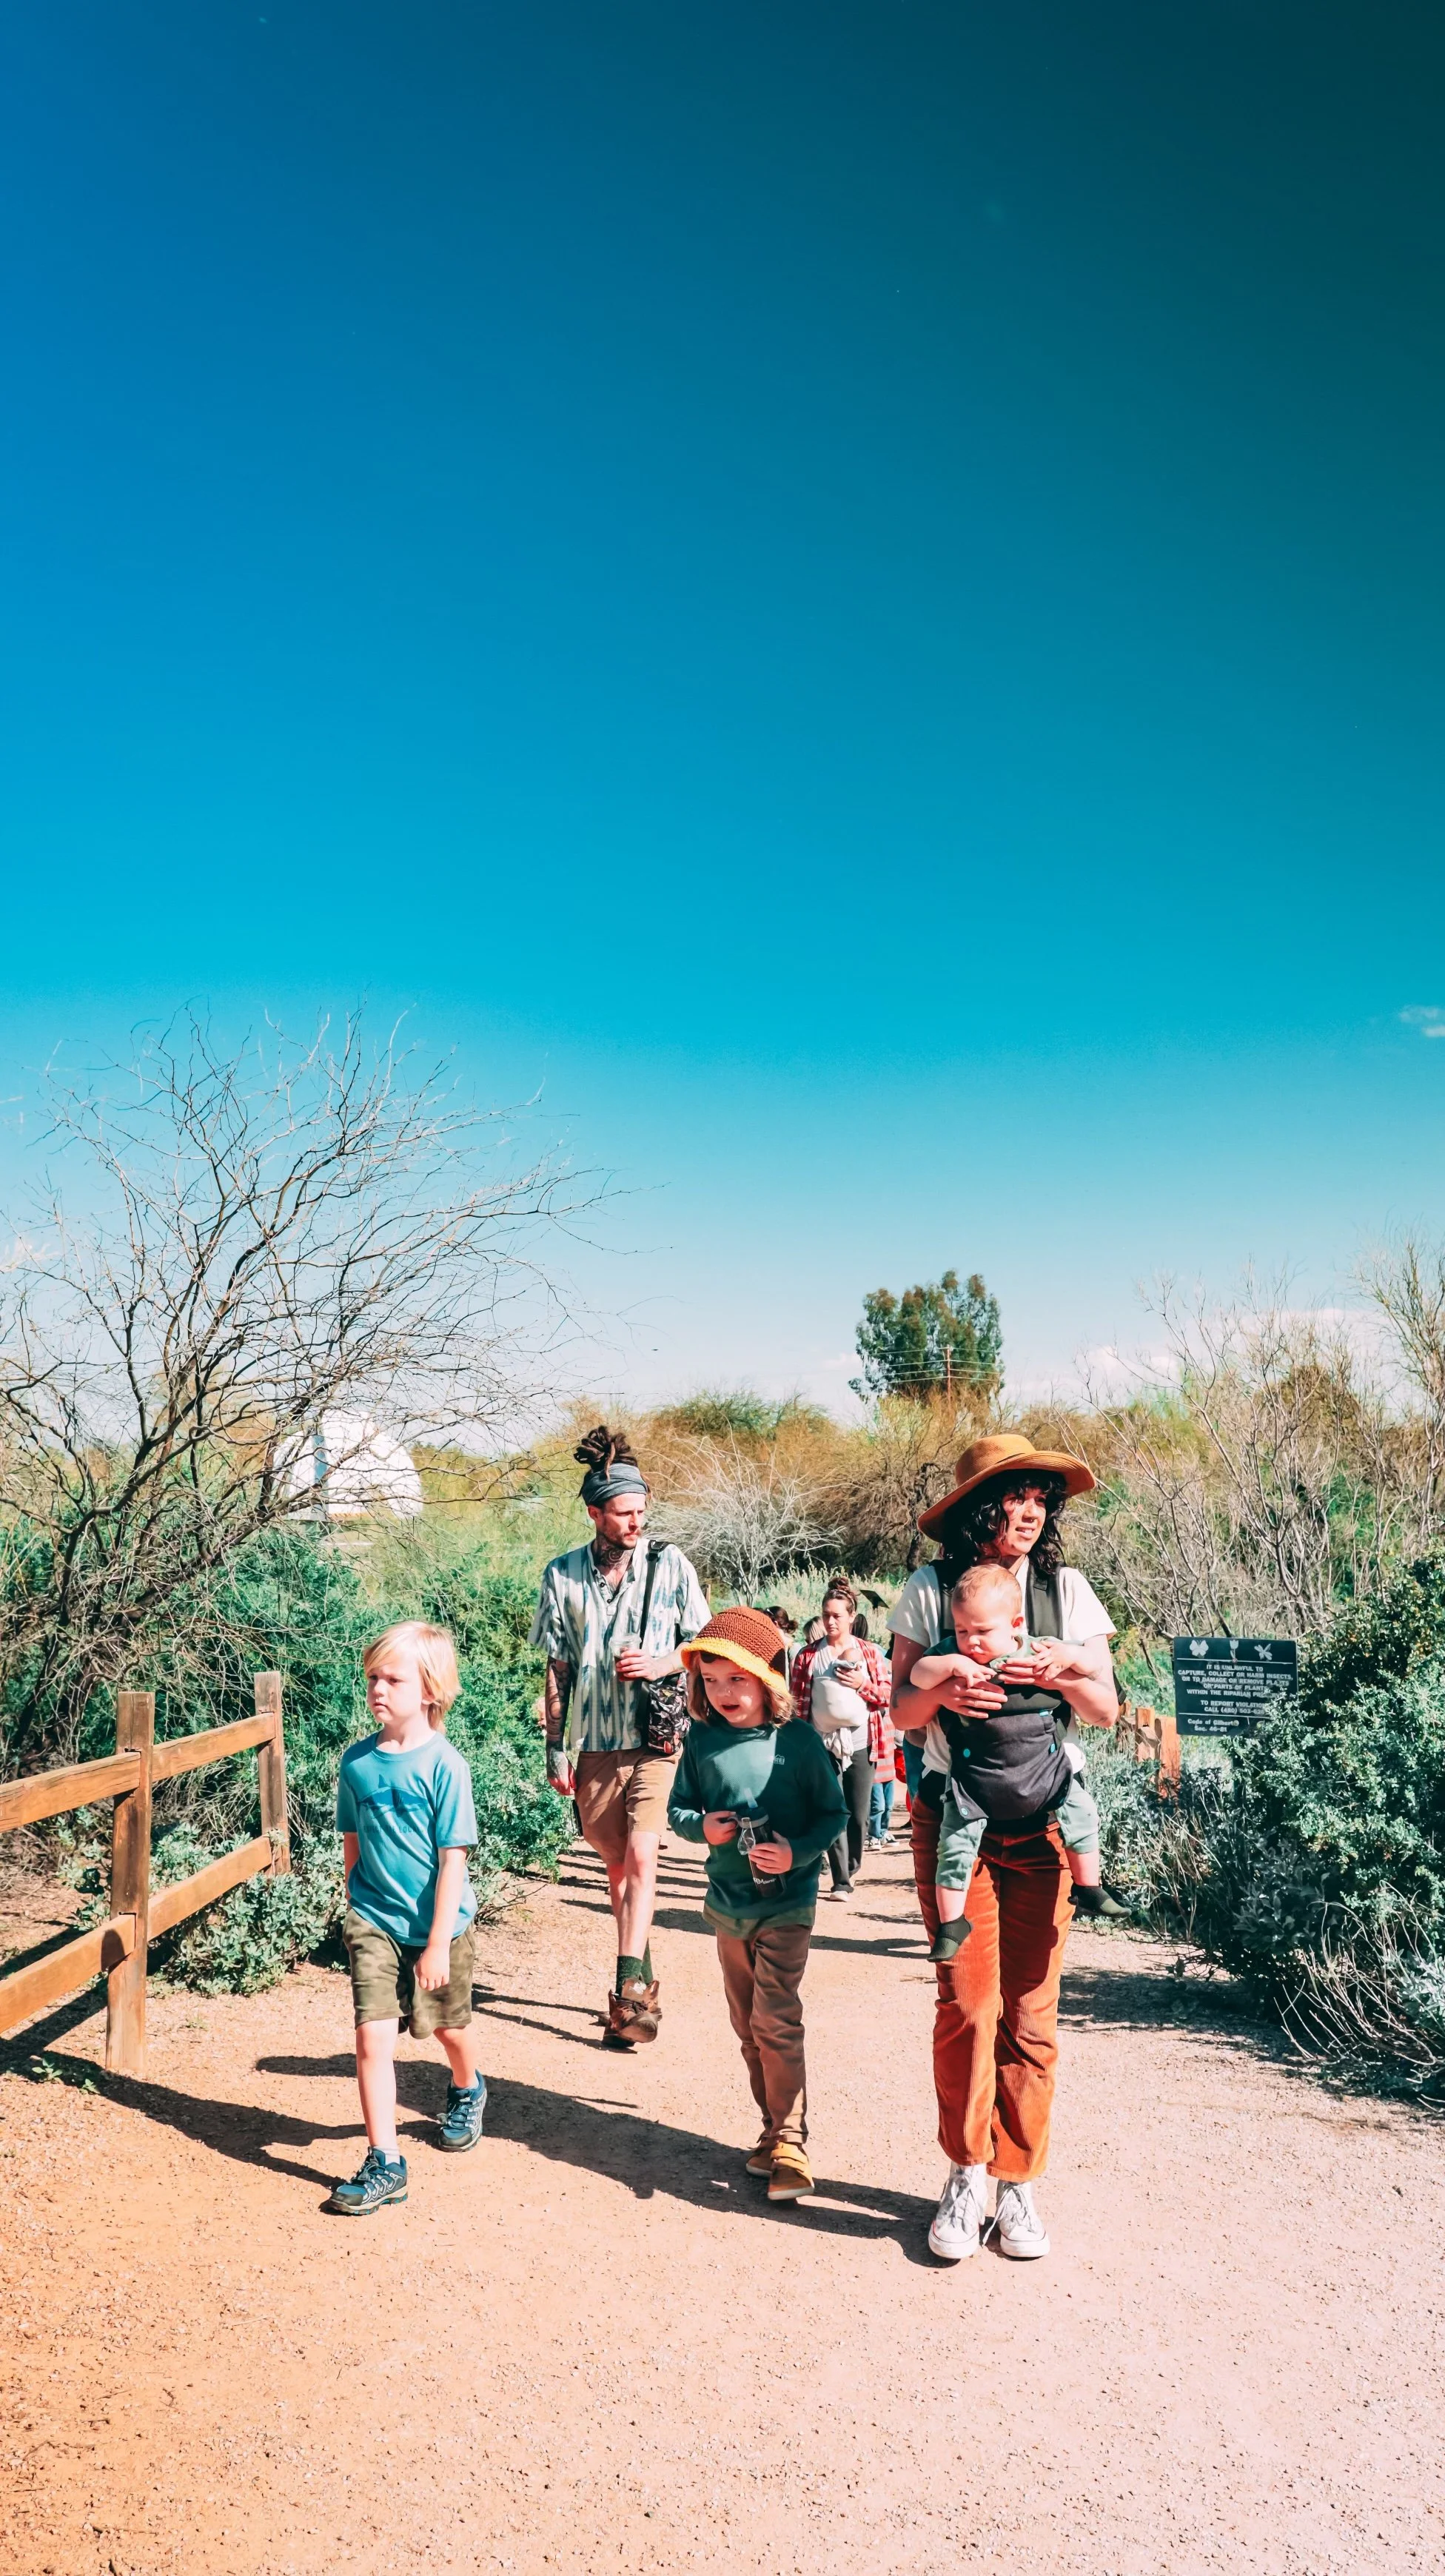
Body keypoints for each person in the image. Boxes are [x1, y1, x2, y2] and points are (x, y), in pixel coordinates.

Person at [889, 1434, 1119, 2264]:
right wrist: (946, 1682)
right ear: (979, 1510)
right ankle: (964, 2173)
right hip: (958, 1820)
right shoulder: (929, 1590)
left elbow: (1104, 1712)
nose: (1028, 1511)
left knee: (1029, 2010)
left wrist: (1064, 1672)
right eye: (1013, 1497)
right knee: (964, 2004)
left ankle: (1016, 2182)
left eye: (1038, 1498)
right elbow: (902, 1716)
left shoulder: (1067, 1593)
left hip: (1044, 1827)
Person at [532, 1424, 709, 2048]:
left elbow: (709, 1646)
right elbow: (557, 1669)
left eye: (641, 1510)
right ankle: (643, 1967)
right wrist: (556, 1749)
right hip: (595, 1744)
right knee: (616, 1871)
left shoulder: (672, 1565)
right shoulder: (561, 1577)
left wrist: (664, 1662)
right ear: (595, 1514)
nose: (636, 1522)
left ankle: (628, 1996)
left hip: (658, 1741)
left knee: (643, 1856)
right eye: (624, 1513)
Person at [668, 1609, 847, 2204]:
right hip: (727, 1906)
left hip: (788, 1904)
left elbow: (835, 1816)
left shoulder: (796, 1743)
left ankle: (792, 2140)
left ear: (767, 1678)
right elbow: (679, 1810)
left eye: (736, 1680)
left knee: (775, 2019)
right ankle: (772, 2132)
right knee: (747, 2027)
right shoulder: (701, 1741)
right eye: (711, 1681)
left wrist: (796, 1851)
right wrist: (703, 1829)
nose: (722, 1693)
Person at [329, 1622, 486, 2216]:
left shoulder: (447, 1765)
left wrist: (440, 1944)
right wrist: (355, 1903)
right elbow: (352, 1839)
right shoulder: (358, 1764)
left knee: (445, 2026)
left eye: (392, 1678)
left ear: (429, 1689)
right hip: (374, 1920)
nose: (377, 1688)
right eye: (372, 1677)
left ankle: (468, 2086)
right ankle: (386, 2161)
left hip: (439, 1925)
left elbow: (453, 1862)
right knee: (373, 2038)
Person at [911, 1560, 1104, 1962]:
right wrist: (952, 1666)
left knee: (1082, 1814)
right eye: (963, 1631)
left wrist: (1063, 1659)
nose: (972, 1642)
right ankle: (952, 1924)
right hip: (972, 1785)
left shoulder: (1037, 1647)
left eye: (982, 1632)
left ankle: (1089, 1888)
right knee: (955, 1847)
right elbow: (917, 1675)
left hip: (1045, 1783)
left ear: (1016, 1623)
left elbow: (1095, 1670)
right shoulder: (953, 1652)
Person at [791, 1578, 891, 1899]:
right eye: (826, 1615)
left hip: (862, 1742)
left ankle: (851, 1865)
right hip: (821, 1744)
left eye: (837, 1615)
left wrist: (862, 1684)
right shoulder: (808, 1657)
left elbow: (887, 1695)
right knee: (832, 1808)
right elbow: (796, 1704)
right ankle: (841, 1878)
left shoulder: (869, 1654)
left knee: (858, 1815)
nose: (830, 1622)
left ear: (851, 1617)